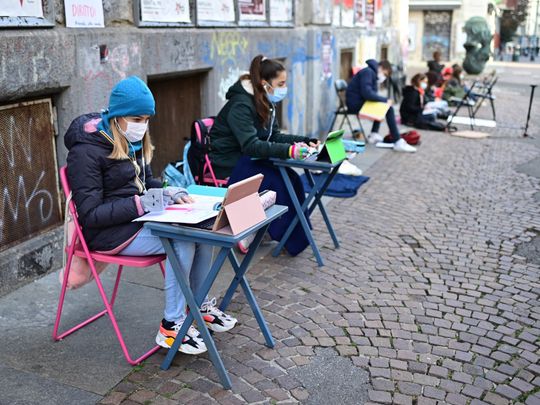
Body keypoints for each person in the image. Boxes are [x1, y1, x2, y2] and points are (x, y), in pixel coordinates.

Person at [64, 76, 237, 356]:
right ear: (118, 116)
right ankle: (171, 325)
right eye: (136, 118)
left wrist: (168, 191)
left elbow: (145, 183)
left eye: (146, 118)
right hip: (106, 234)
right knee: (181, 240)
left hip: (134, 221)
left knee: (203, 232)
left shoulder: (131, 141)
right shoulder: (86, 152)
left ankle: (199, 305)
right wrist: (140, 204)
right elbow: (90, 215)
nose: (142, 125)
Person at [209, 54, 318, 256]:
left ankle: (284, 235)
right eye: (281, 83)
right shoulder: (241, 104)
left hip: (250, 158)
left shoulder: (264, 101)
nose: (284, 88)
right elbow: (251, 145)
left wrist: (304, 140)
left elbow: (274, 136)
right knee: (277, 182)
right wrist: (288, 151)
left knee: (293, 179)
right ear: (264, 83)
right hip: (229, 161)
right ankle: (258, 232)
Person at [345, 59, 416, 152]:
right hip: (355, 104)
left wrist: (382, 101)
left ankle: (374, 133)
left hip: (358, 102)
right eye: (385, 74)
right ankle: (397, 141)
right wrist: (385, 100)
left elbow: (369, 94)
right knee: (388, 108)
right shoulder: (368, 72)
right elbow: (367, 93)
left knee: (383, 106)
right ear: (382, 68)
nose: (384, 77)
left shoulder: (371, 73)